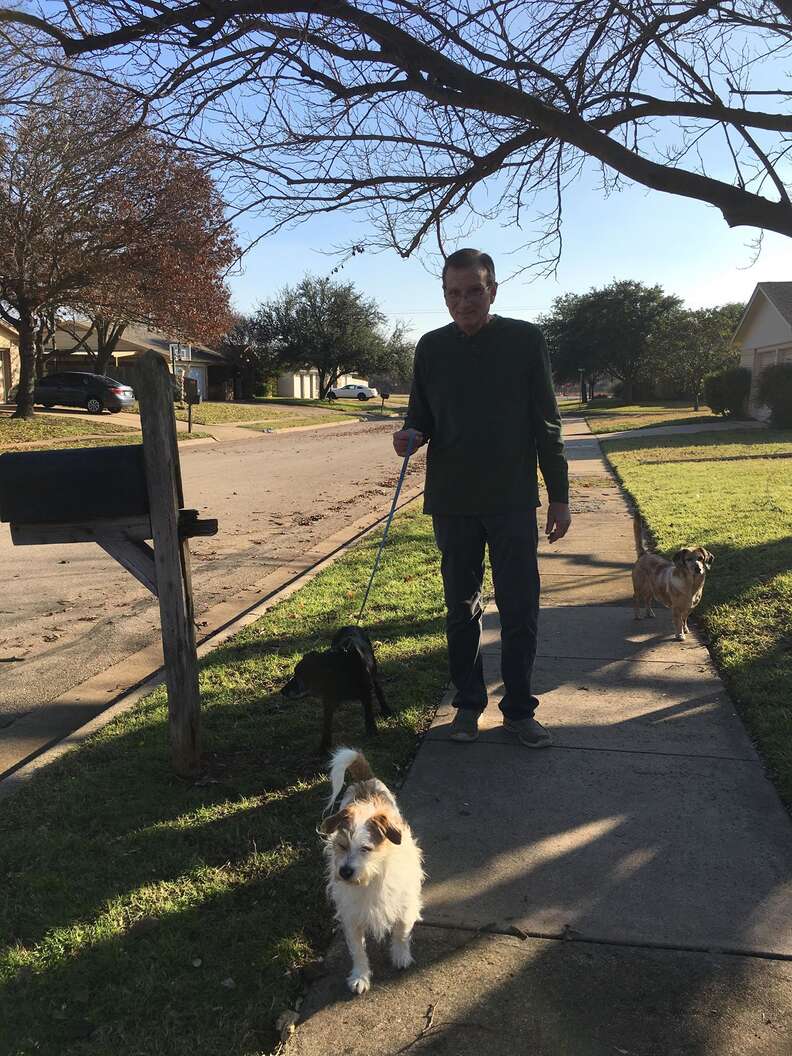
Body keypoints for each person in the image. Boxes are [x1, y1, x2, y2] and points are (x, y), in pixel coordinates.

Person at [393, 248, 571, 747]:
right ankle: (468, 706)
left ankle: (518, 709)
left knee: (520, 609)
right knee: (460, 609)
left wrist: (559, 495)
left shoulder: (524, 340)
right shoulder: (430, 347)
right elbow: (419, 417)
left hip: (512, 499)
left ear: (493, 290)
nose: (464, 301)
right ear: (444, 296)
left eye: (474, 290)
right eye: (454, 292)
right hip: (451, 502)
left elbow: (547, 423)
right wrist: (409, 435)